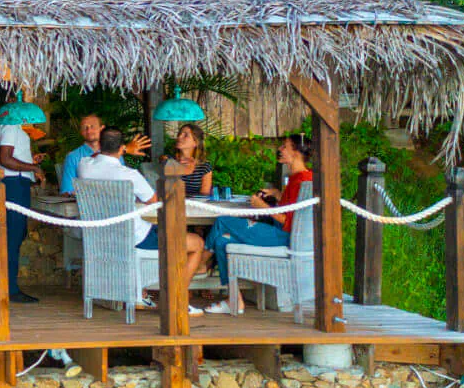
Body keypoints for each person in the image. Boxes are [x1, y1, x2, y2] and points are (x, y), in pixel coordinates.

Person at [80, 126, 209, 308]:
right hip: (135, 238)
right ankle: (178, 299)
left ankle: (142, 292)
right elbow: (156, 202)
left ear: (100, 145)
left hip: (101, 237)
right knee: (196, 243)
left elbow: (95, 157)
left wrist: (120, 149)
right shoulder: (130, 175)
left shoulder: (84, 166)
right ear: (121, 148)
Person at [202, 134, 313, 314]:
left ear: (297, 153)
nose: (280, 149)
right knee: (222, 241)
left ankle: (202, 263)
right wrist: (277, 194)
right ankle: (235, 300)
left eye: (285, 146)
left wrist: (262, 206)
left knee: (223, 221)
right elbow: (292, 208)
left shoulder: (303, 181)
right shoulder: (297, 178)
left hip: (284, 237)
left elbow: (289, 222)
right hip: (280, 233)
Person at [0, 109, 48, 303]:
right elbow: (5, 159)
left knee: (14, 233)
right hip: (14, 183)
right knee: (13, 234)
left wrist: (29, 162)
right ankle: (10, 288)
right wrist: (33, 168)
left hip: (17, 181)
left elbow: (11, 156)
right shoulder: (10, 125)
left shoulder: (8, 124)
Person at [161, 123, 217, 298]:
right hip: (175, 210)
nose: (180, 137)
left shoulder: (204, 167)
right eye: (180, 134)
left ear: (195, 143)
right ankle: (188, 285)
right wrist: (178, 168)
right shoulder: (168, 161)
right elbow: (166, 187)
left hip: (196, 212)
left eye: (186, 135)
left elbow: (205, 195)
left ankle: (194, 280)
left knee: (208, 231)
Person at [60, 114, 150, 195]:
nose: (89, 130)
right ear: (81, 131)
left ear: (102, 128)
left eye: (92, 126)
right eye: (84, 127)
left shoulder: (116, 153)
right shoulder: (73, 157)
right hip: (88, 207)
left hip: (118, 203)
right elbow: (67, 191)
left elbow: (122, 180)